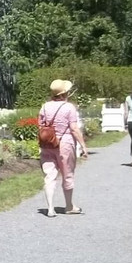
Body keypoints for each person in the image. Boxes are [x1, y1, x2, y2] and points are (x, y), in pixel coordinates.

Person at [40, 78, 87, 217]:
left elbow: (41, 126)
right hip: (65, 144)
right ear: (65, 93)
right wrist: (83, 146)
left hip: (47, 144)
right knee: (67, 174)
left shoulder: (44, 106)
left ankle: (50, 208)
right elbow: (74, 129)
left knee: (49, 176)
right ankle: (68, 206)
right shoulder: (69, 107)